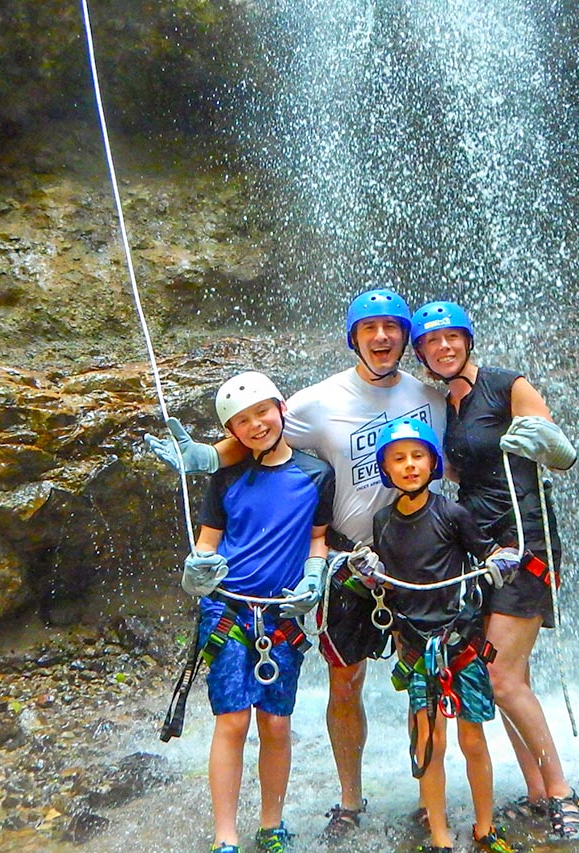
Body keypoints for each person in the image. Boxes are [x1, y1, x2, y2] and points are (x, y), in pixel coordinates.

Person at [147, 289, 447, 838]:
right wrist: (208, 457)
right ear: (353, 337)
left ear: (406, 337)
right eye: (369, 328)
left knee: (424, 677)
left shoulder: (433, 397)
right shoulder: (314, 401)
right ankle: (351, 800)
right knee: (344, 681)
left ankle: (432, 804)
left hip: (417, 555)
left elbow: (472, 426)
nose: (381, 337)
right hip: (346, 561)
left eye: (391, 327)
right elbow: (259, 432)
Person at [409, 300, 579, 842]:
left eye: (452, 338)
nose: (444, 348)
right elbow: (453, 474)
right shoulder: (448, 406)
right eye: (432, 342)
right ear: (422, 353)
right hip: (477, 549)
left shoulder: (509, 385)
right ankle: (535, 791)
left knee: (503, 677)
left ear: (467, 341)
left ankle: (560, 791)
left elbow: (560, 452)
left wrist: (545, 442)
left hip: (524, 541)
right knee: (502, 675)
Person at [180, 371, 335, 853]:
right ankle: (225, 834)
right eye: (242, 421)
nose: (256, 425)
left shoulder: (315, 474)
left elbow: (316, 539)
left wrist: (316, 577)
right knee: (232, 721)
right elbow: (208, 543)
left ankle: (272, 824)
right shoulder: (226, 477)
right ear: (232, 432)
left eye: (261, 412)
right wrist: (197, 571)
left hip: (283, 614)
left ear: (280, 409)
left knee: (275, 722)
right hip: (228, 610)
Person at [369, 417, 520, 853]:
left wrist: (503, 559)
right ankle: (439, 835)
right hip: (417, 647)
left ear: (433, 463)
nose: (410, 466)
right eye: (399, 459)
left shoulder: (453, 514)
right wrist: (367, 572)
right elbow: (384, 576)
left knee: (473, 738)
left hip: (460, 643)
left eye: (418, 457)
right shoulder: (382, 522)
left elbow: (486, 553)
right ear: (386, 469)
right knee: (429, 740)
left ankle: (485, 828)